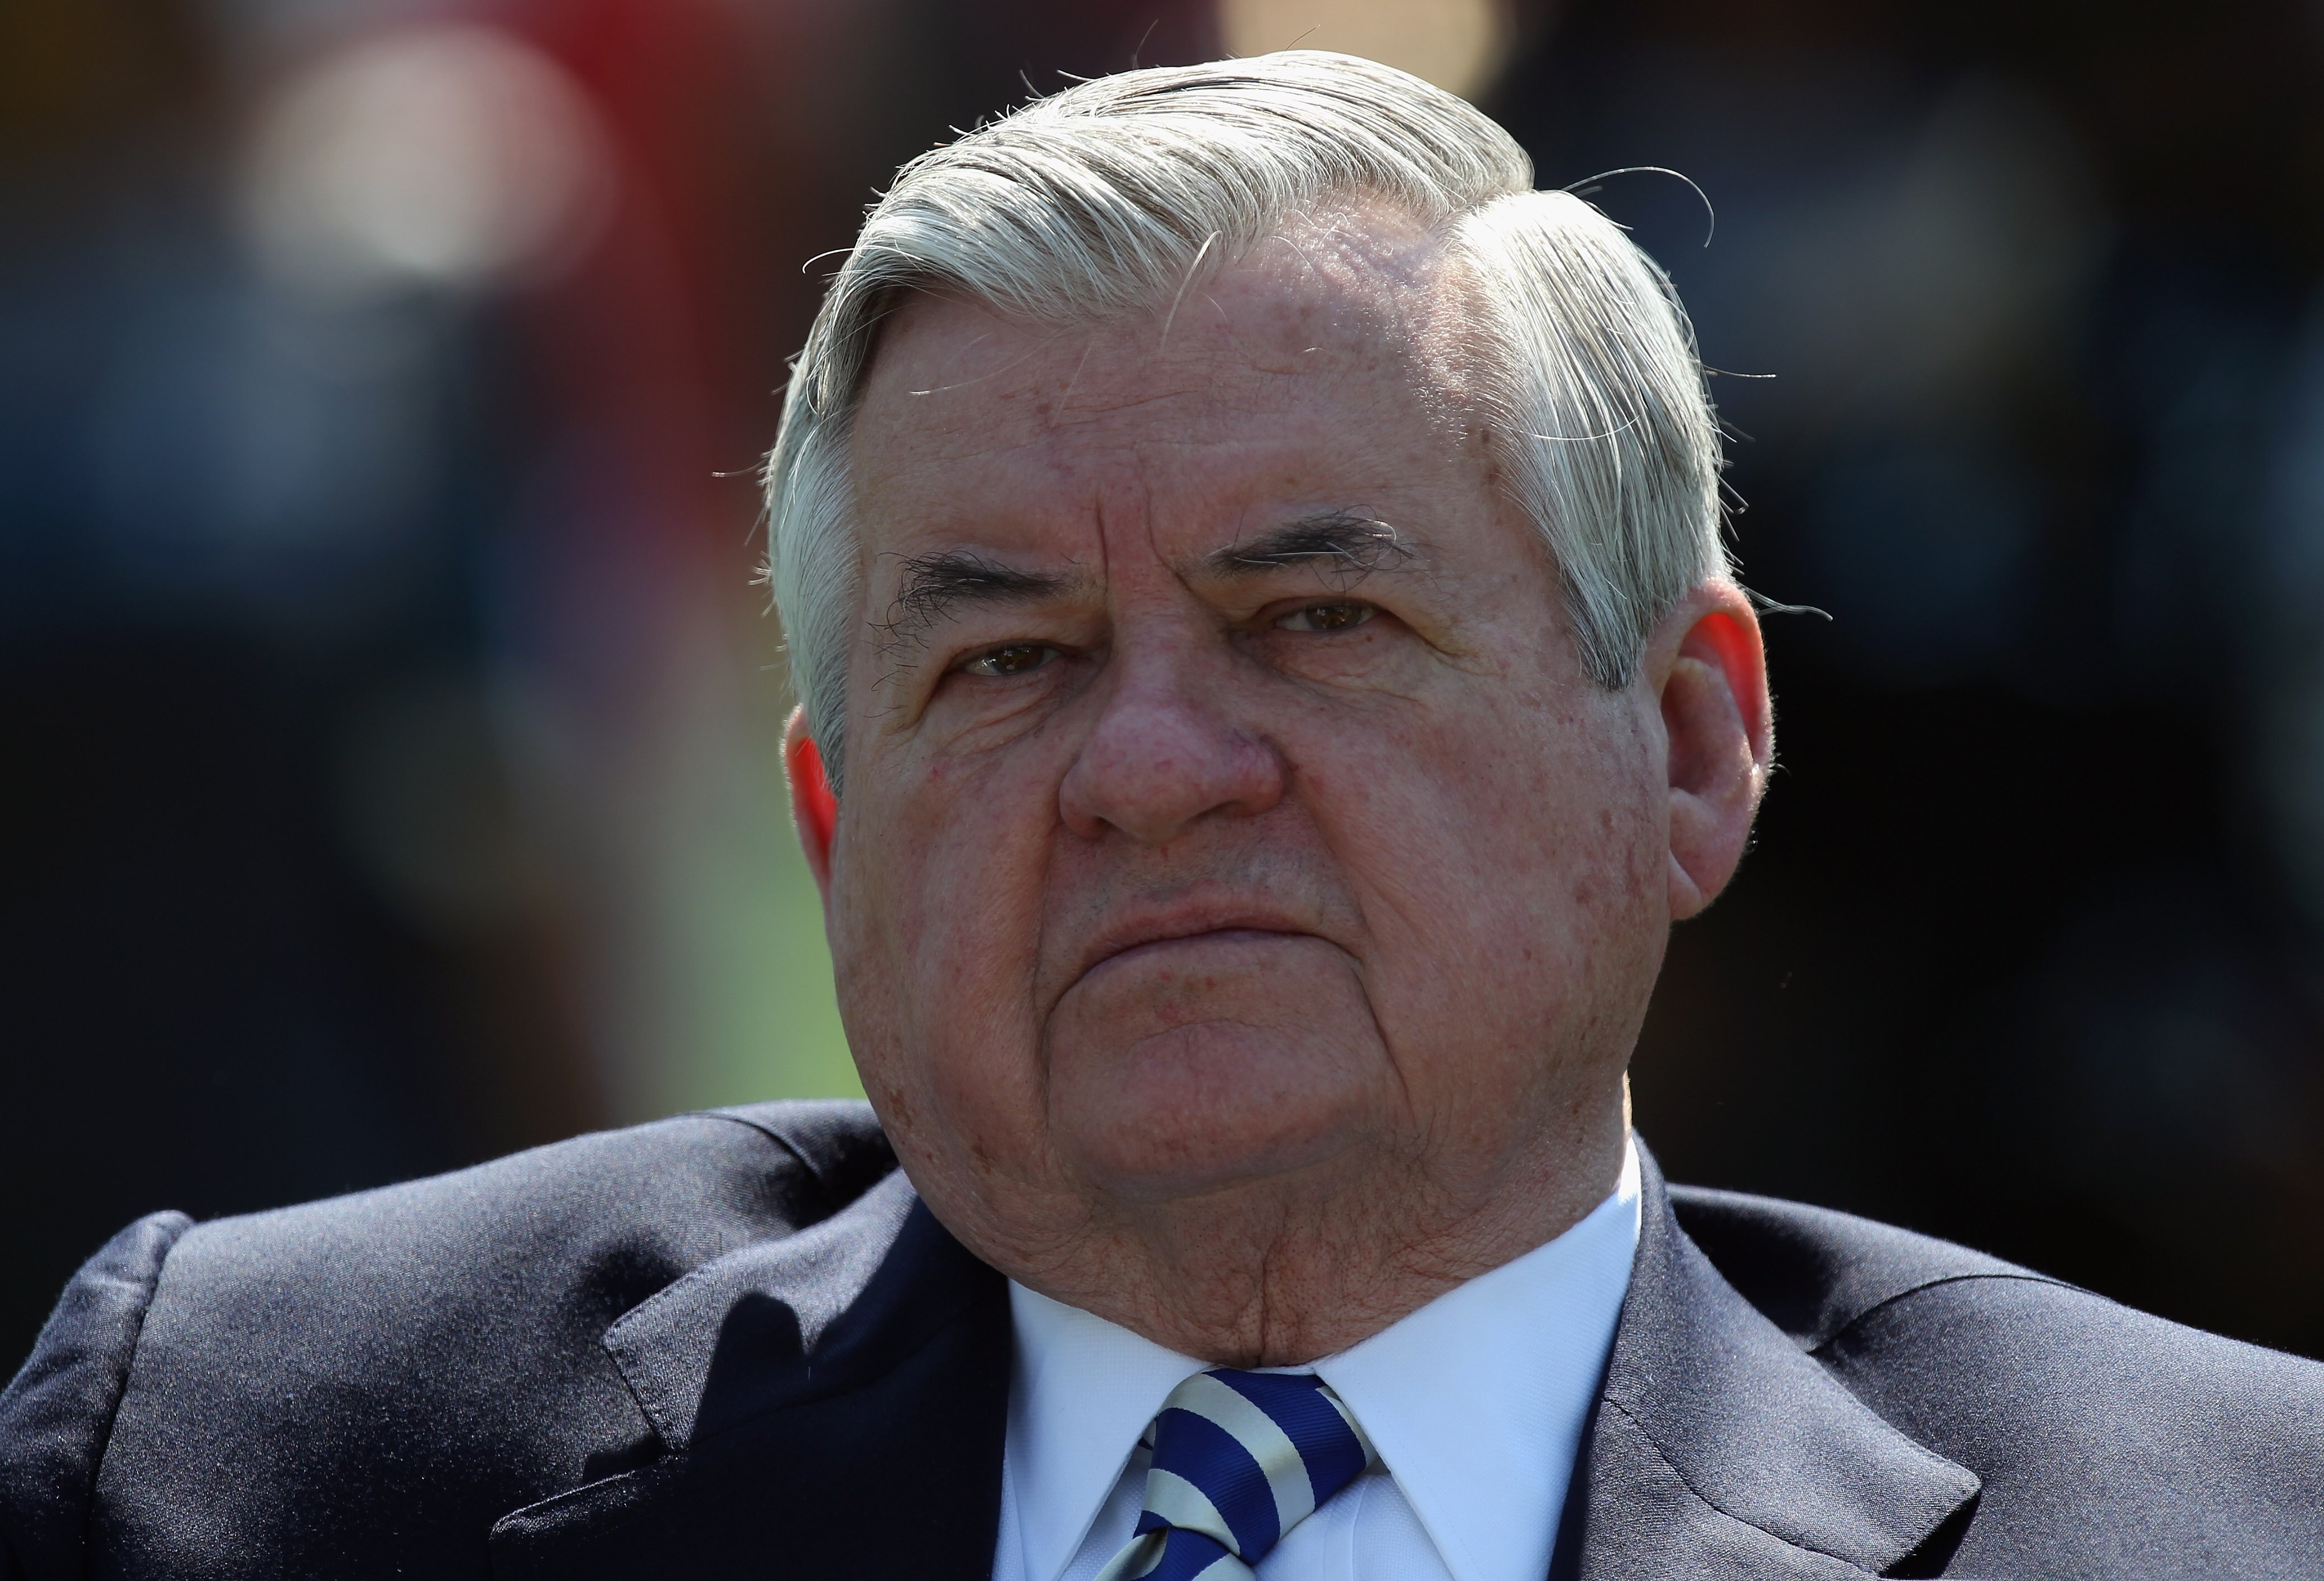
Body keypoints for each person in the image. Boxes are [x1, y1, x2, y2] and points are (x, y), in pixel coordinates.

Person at [4, 50, 2319, 1581]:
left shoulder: (2220, 1528)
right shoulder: (245, 1467)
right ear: (839, 843)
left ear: (1695, 741)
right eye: (1000, 663)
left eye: (1313, 617)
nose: (1144, 771)